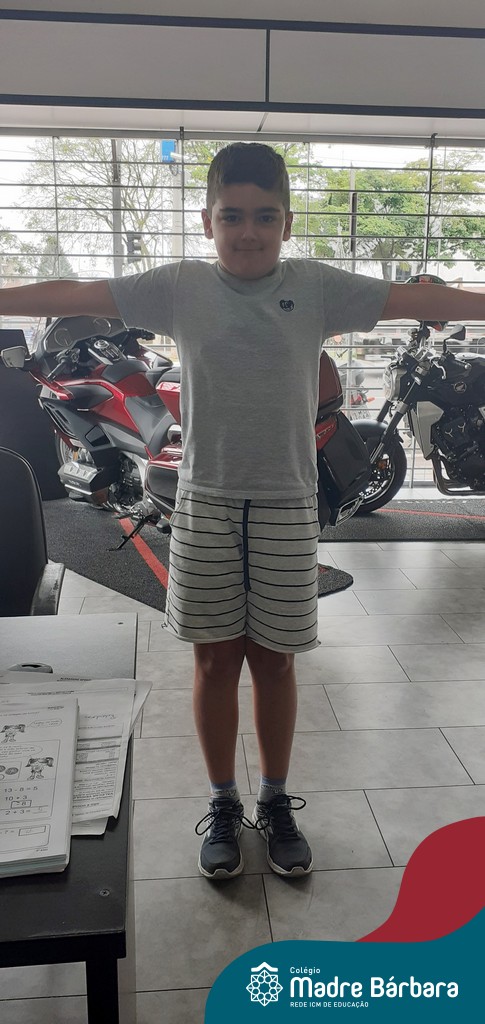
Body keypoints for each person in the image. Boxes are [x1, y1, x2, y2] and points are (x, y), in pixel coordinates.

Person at [2, 142, 485, 880]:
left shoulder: (316, 286)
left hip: (288, 503)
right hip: (205, 501)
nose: (248, 231)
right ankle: (224, 801)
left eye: (264, 216)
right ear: (208, 221)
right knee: (214, 659)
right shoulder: (180, 286)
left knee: (275, 661)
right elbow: (78, 290)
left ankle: (276, 799)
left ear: (286, 223)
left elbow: (417, 299)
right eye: (232, 216)